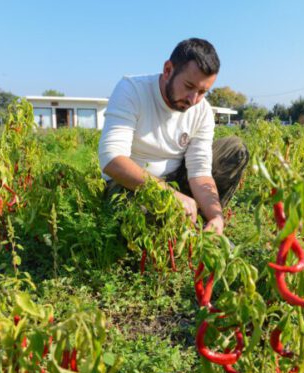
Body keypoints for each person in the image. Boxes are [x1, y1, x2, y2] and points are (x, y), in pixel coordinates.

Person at [99, 38, 248, 235]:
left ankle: (203, 224)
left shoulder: (202, 110)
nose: (193, 99)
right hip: (131, 185)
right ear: (168, 70)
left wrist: (216, 216)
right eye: (188, 86)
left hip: (177, 180)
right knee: (140, 217)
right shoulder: (132, 90)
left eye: (203, 92)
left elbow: (199, 172)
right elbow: (112, 160)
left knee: (234, 149)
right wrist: (169, 195)